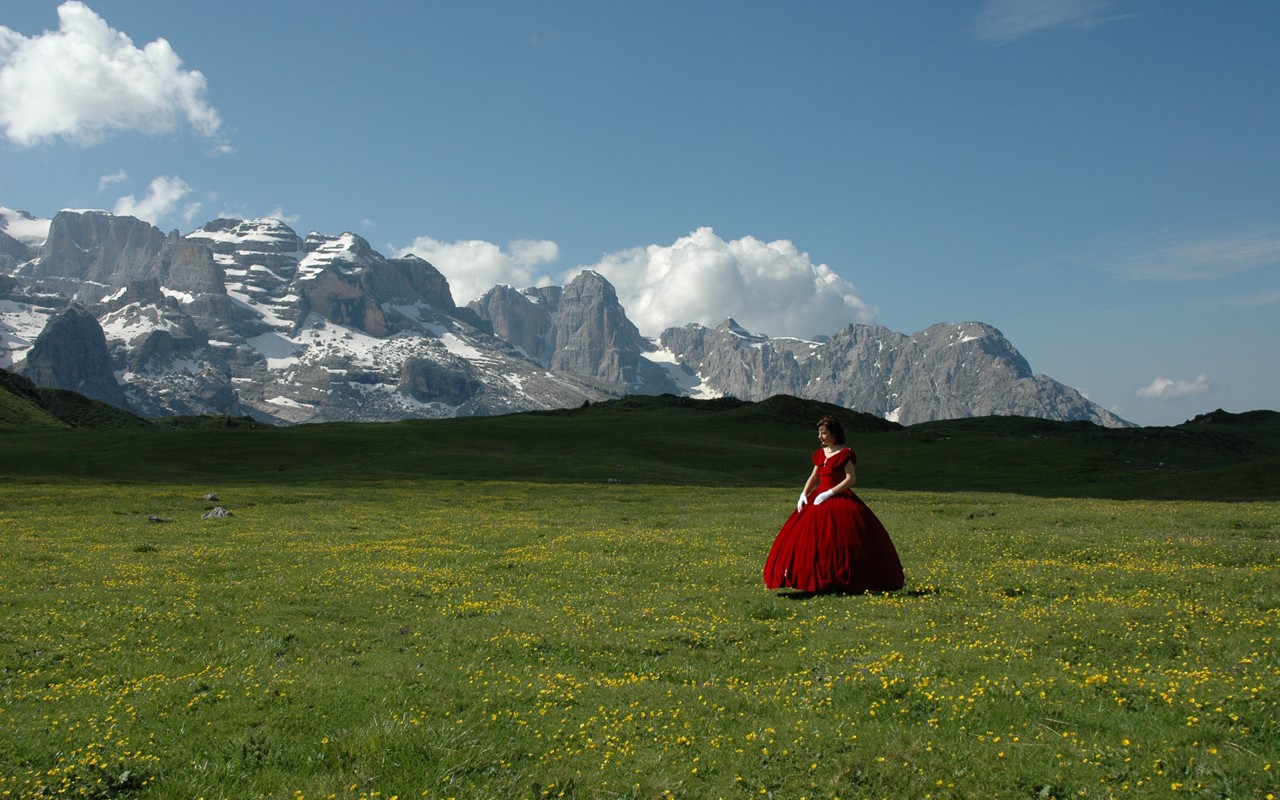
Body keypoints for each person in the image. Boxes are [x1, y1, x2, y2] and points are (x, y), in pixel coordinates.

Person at [763, 414, 904, 593]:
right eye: (819, 433)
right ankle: (808, 577)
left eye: (823, 433)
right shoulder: (821, 454)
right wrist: (803, 494)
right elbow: (814, 477)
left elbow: (851, 479)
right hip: (818, 498)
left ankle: (847, 579)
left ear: (834, 434)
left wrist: (830, 492)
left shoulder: (844, 453)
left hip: (838, 498)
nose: (820, 437)